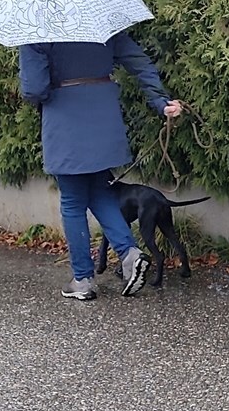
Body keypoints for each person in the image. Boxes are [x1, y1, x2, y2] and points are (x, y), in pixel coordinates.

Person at [19, 32, 183, 301]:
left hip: (66, 120)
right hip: (104, 117)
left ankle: (82, 279)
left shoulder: (37, 28)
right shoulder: (99, 21)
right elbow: (137, 59)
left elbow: (34, 89)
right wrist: (160, 101)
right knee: (99, 192)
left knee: (72, 201)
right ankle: (129, 255)